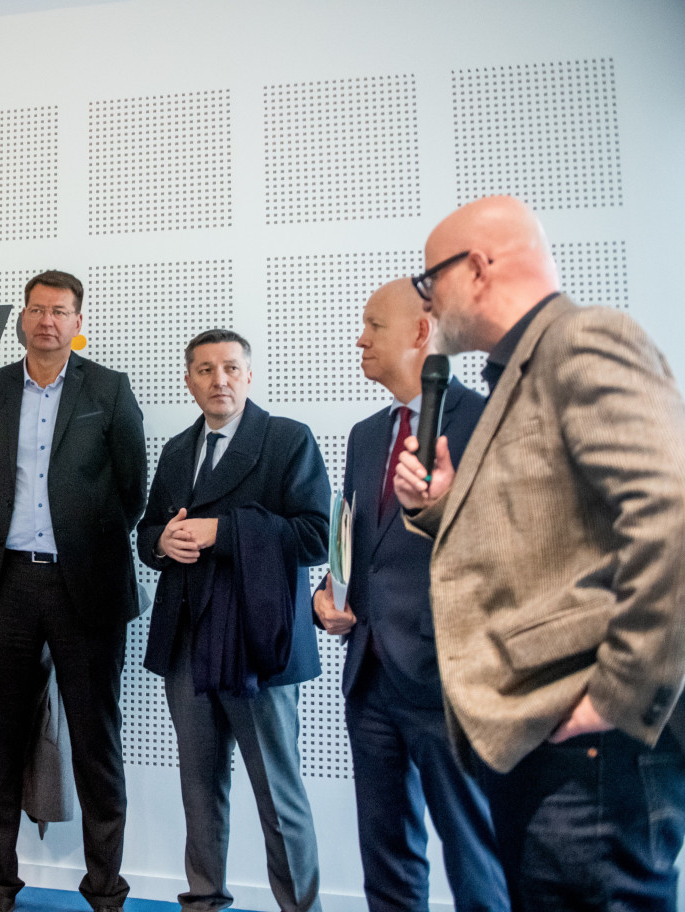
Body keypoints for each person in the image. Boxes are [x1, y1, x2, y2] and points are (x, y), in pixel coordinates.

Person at [394, 195, 685, 909]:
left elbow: (672, 511)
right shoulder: (519, 372)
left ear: (480, 267)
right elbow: (542, 540)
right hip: (541, 749)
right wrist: (441, 505)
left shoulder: (582, 340)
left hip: (593, 759)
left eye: (431, 283)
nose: (429, 304)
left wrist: (618, 694)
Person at [312, 280, 505, 911]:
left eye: (373, 325)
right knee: (387, 856)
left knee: (476, 857)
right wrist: (327, 595)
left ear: (422, 334)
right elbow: (356, 543)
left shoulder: (485, 423)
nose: (359, 338)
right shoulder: (367, 434)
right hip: (369, 678)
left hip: (451, 684)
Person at [0, 270, 147, 912]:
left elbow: (133, 490)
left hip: (87, 588)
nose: (48, 321)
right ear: (22, 317)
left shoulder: (109, 389)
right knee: (1, 741)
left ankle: (105, 888)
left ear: (77, 321)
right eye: (38, 310)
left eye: (61, 311)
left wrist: (84, 544)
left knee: (96, 740)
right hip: (9, 583)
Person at [138, 329, 328, 912]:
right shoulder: (175, 450)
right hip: (188, 639)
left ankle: (301, 908)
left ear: (248, 375)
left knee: (278, 793)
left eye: (230, 368)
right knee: (199, 788)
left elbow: (315, 537)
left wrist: (225, 531)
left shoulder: (286, 440)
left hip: (256, 641)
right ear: (189, 380)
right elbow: (147, 536)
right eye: (205, 370)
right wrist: (162, 542)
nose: (219, 380)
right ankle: (202, 900)